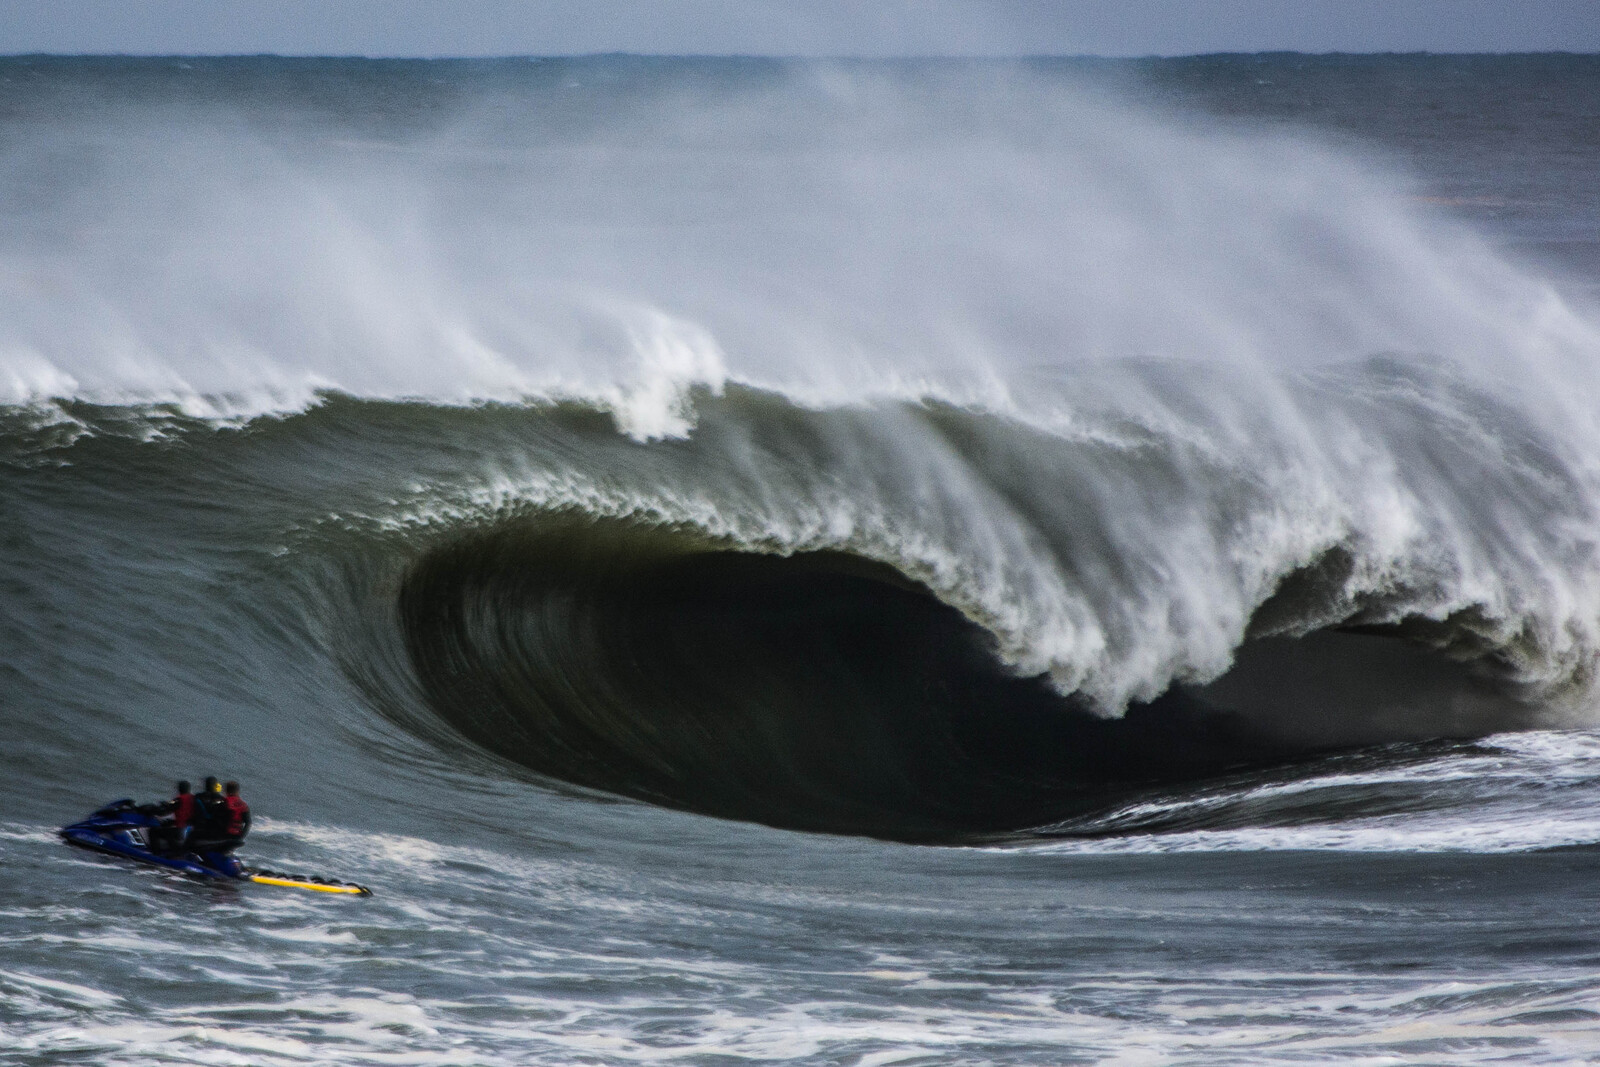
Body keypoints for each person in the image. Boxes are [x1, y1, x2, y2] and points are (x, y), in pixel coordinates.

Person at [148, 780, 195, 854]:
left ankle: (155, 853)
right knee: (168, 827)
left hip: (180, 832)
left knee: (153, 831)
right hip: (189, 831)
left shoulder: (179, 799)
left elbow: (164, 812)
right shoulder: (194, 799)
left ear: (179, 789)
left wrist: (152, 811)